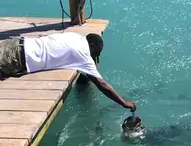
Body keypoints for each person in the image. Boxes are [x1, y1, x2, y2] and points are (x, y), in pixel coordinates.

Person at [0, 32, 136, 112]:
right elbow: (102, 85)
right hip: (15, 58)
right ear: (92, 46)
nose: (94, 58)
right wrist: (123, 103)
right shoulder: (83, 54)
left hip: (15, 43)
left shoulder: (75, 36)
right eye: (96, 54)